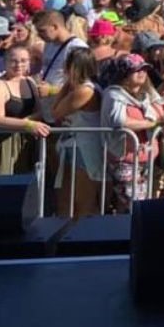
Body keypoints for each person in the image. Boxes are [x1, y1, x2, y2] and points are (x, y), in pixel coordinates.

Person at [100, 54, 164, 212]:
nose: (142, 73)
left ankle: (127, 233)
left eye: (144, 69)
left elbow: (163, 112)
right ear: (124, 74)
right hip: (124, 160)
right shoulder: (113, 94)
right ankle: (130, 234)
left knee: (134, 205)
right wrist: (153, 123)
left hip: (146, 159)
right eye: (136, 70)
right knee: (135, 205)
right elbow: (120, 121)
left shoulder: (147, 94)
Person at [50, 49, 103, 217]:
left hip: (85, 149)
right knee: (65, 200)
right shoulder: (80, 88)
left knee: (83, 202)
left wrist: (66, 84)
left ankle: (83, 239)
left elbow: (56, 112)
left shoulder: (85, 90)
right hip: (72, 146)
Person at [0, 46, 49, 175]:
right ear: (5, 62)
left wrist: (29, 122)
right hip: (4, 144)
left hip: (27, 143)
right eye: (13, 61)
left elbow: (39, 111)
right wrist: (28, 124)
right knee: (3, 188)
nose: (18, 65)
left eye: (23, 61)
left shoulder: (30, 82)